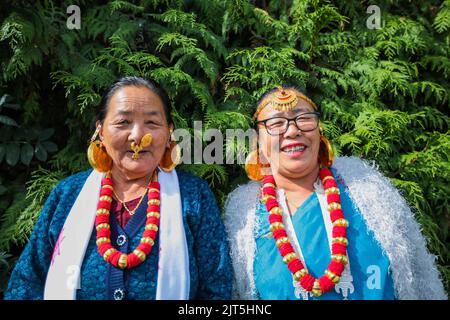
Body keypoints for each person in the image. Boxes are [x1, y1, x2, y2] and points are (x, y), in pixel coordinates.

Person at [5, 76, 232, 300]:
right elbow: (27, 283)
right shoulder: (67, 195)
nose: (138, 136)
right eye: (123, 122)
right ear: (100, 131)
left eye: (152, 123)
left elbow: (217, 290)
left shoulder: (194, 197)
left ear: (169, 133)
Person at [224, 87, 447, 300]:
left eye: (304, 118)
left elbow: (420, 278)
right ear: (258, 141)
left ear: (319, 130)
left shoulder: (370, 192)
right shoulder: (245, 217)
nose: (292, 130)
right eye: (276, 123)